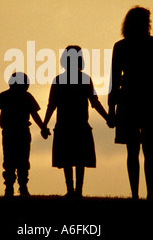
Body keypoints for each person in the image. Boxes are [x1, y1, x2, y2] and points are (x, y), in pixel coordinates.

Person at [107, 6, 153, 201]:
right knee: (146, 149)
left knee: (134, 150)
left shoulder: (122, 46)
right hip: (146, 97)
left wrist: (112, 107)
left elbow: (115, 80)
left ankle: (138, 194)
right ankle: (146, 195)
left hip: (131, 98)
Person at [44, 45, 109, 198]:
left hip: (66, 126)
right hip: (79, 125)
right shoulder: (84, 79)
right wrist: (108, 118)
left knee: (68, 159)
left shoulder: (58, 80)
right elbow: (95, 102)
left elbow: (51, 105)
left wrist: (44, 124)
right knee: (79, 160)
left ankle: (71, 190)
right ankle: (77, 190)